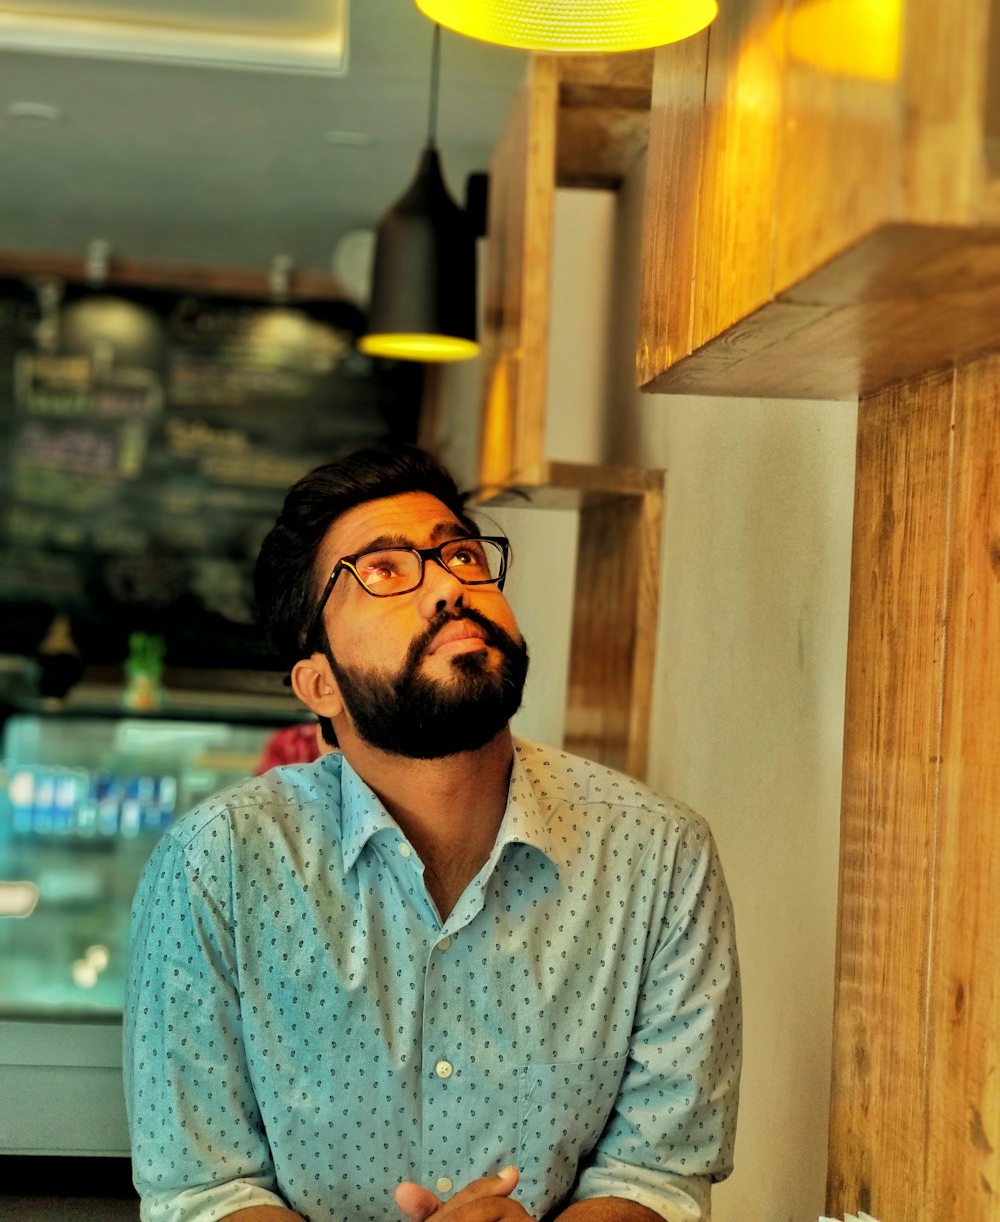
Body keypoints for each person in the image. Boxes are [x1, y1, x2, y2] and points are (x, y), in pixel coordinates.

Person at [124, 444, 741, 1222]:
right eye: (382, 569)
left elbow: (657, 1172)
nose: (450, 584)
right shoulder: (215, 866)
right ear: (318, 682)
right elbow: (203, 1190)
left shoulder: (661, 856)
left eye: (460, 552)